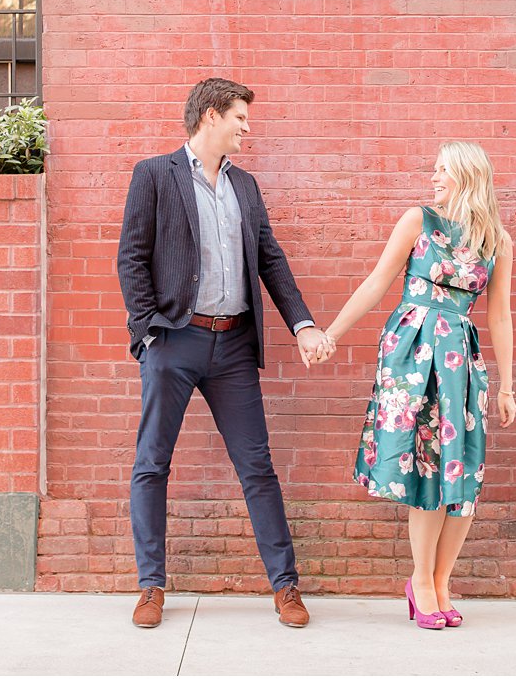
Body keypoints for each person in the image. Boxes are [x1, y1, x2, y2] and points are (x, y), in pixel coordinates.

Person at [116, 77, 334, 630]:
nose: (247, 126)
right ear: (211, 115)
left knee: (257, 465)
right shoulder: (154, 175)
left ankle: (285, 587)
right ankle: (150, 586)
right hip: (174, 339)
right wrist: (147, 333)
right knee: (152, 464)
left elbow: (271, 260)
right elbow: (131, 259)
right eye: (239, 116)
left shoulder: (247, 187)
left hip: (234, 344)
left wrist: (303, 324)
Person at [324, 141, 516, 630]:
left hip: (461, 364)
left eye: (442, 171)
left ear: (467, 177)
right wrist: (330, 334)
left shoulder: (497, 242)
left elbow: (500, 316)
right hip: (412, 356)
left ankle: (442, 581)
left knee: (463, 475)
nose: (434, 178)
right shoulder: (418, 221)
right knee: (428, 470)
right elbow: (376, 282)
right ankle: (422, 582)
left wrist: (509, 386)